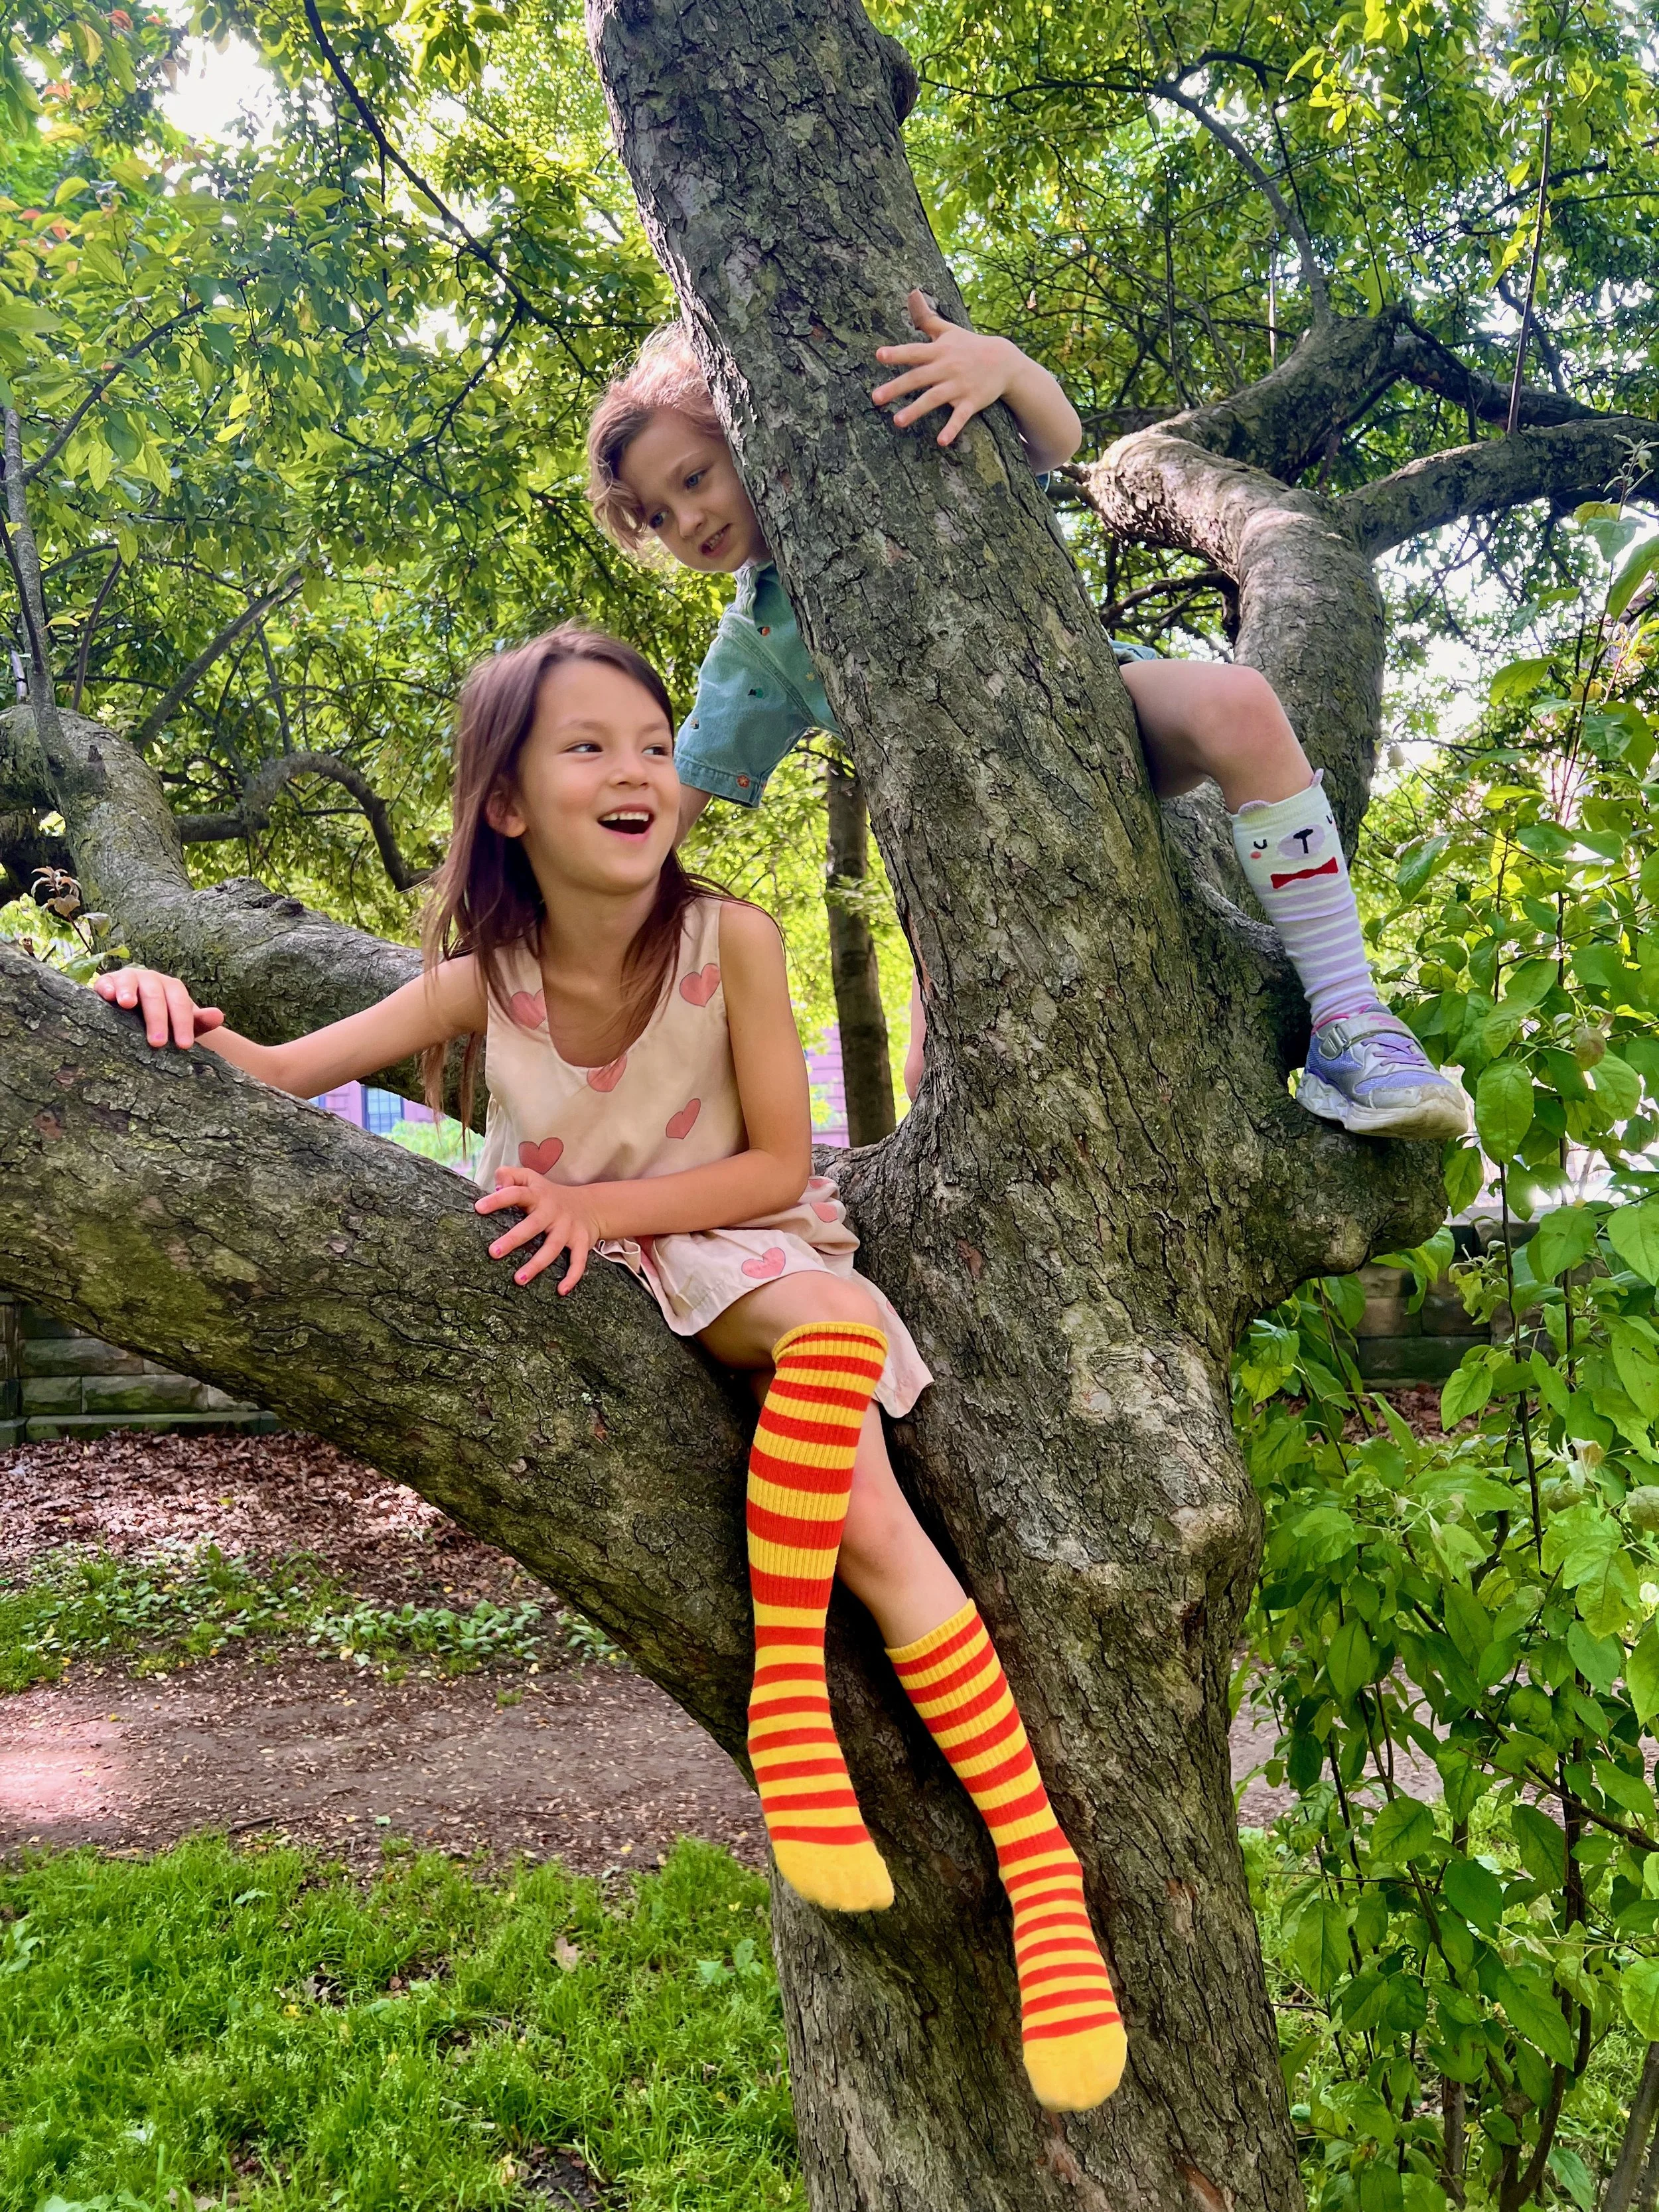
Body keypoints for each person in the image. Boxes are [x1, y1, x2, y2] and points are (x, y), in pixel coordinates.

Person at [94, 623, 1127, 2115]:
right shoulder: (484, 980)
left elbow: (778, 1168)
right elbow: (274, 1071)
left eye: (653, 743)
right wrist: (153, 995)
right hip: (602, 1296)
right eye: (587, 746)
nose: (636, 769)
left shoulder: (733, 941)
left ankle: (1004, 1861)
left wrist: (598, 1204)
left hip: (740, 1252)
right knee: (876, 1534)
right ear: (509, 802)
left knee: (856, 1407)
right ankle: (1016, 1865)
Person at [585, 297, 1471, 1142]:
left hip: (1092, 706)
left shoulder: (882, 460)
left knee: (1238, 703)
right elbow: (686, 783)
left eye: (695, 478)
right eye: (659, 515)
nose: (687, 519)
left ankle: (1350, 1016)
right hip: (960, 837)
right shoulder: (759, 640)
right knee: (932, 1069)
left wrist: (1000, 366)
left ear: (745, 433)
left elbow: (1055, 441)